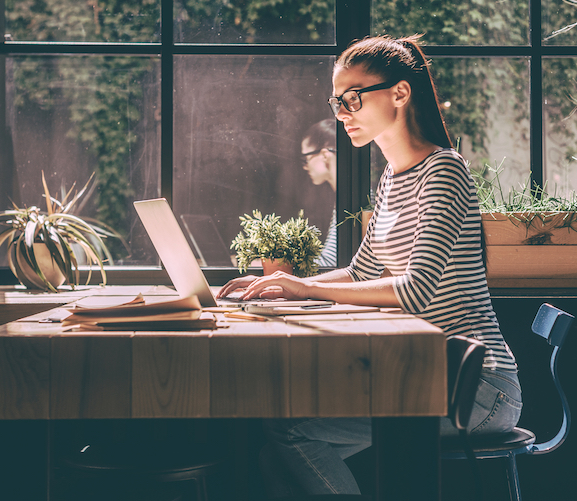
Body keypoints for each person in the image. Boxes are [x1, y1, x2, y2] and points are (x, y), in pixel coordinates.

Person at [217, 35, 522, 496]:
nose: (342, 113)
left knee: (291, 433)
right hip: (424, 374)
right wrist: (284, 283)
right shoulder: (391, 179)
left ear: (399, 94)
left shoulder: (444, 171)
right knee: (273, 450)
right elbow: (362, 271)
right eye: (337, 101)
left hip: (478, 387)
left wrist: (307, 290)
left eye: (353, 98)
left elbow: (415, 290)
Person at [301, 119, 337, 267]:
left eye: (306, 158)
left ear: (324, 155)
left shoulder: (351, 202)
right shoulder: (344, 198)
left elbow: (330, 264)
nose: (305, 167)